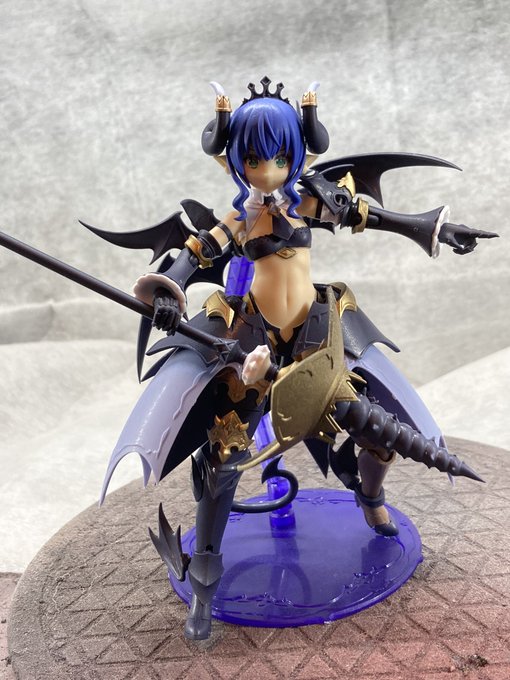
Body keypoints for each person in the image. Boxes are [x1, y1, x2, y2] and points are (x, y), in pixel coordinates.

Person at [97, 77, 495, 640]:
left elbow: (374, 217)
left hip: (315, 337)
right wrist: (167, 298)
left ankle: (371, 497)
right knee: (224, 461)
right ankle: (204, 588)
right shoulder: (239, 219)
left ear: (297, 154)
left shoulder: (309, 200)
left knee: (377, 431)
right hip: (251, 340)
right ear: (233, 158)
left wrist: (437, 227)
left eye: (279, 158)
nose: (267, 171)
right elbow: (187, 261)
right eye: (254, 159)